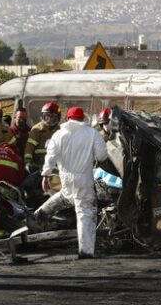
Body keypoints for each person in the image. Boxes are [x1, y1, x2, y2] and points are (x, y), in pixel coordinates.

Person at [34, 107, 107, 258]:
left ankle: (39, 216)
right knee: (85, 212)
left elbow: (50, 157)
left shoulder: (58, 135)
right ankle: (86, 251)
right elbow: (102, 156)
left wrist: (45, 175)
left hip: (65, 178)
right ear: (83, 118)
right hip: (83, 178)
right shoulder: (92, 133)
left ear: (67, 118)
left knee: (66, 197)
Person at [24, 102, 61, 173]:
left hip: (56, 167)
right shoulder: (37, 129)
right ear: (42, 117)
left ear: (58, 117)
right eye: (46, 116)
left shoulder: (60, 130)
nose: (49, 119)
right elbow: (29, 146)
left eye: (53, 116)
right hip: (38, 166)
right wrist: (28, 161)